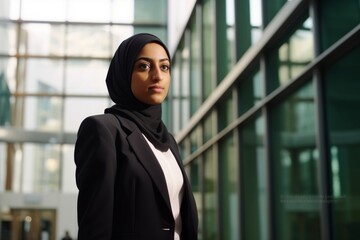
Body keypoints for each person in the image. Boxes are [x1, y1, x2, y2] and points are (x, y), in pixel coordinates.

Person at [74, 33, 198, 240]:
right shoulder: (103, 130)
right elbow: (95, 227)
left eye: (164, 67)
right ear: (123, 74)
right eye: (144, 66)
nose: (158, 76)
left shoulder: (168, 140)